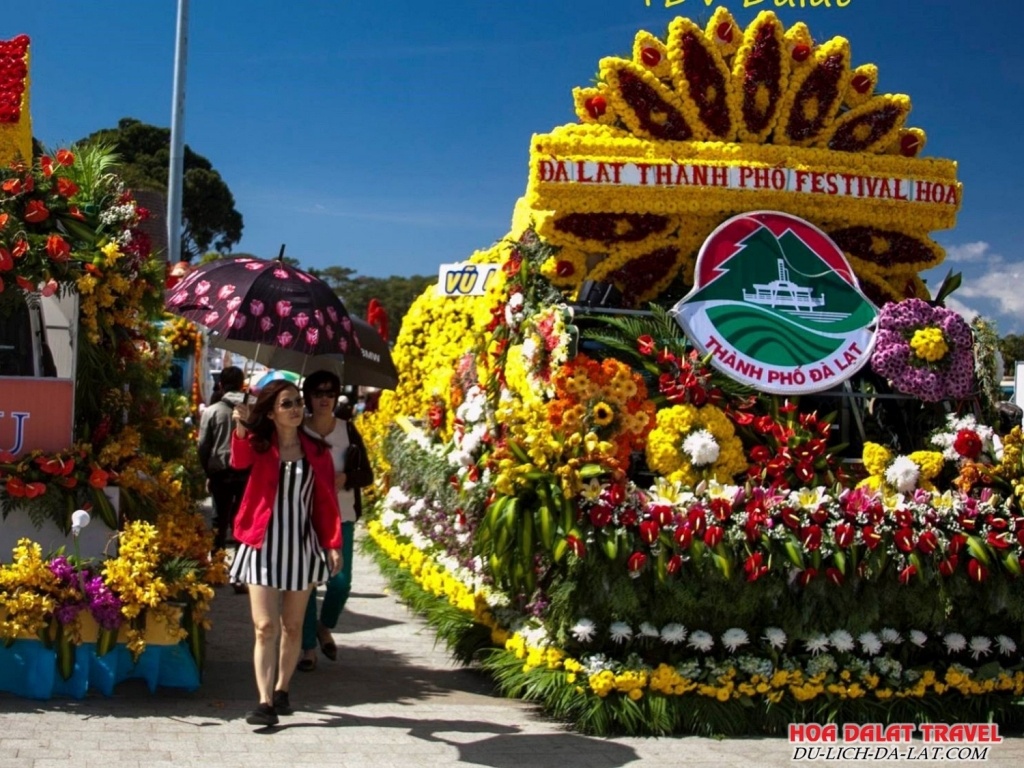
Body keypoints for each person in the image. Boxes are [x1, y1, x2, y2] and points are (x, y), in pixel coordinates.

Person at [228, 379, 343, 727]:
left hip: (301, 547)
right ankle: (264, 703)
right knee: (264, 626)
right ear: (273, 412)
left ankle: (282, 688)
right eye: (287, 404)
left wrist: (332, 544)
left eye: (297, 403)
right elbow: (238, 460)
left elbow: (325, 502)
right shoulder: (261, 445)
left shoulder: (318, 452)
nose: (296, 409)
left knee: (292, 627)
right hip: (261, 544)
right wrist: (241, 425)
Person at [297, 370, 373, 671]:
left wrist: (346, 477)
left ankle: (323, 624)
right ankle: (307, 649)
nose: (324, 399)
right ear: (308, 397)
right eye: (318, 393)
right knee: (306, 583)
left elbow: (367, 474)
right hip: (304, 516)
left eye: (330, 393)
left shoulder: (348, 430)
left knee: (341, 582)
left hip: (342, 515)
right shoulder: (299, 429)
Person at [197, 366, 249, 560]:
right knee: (243, 518)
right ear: (242, 384)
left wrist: (208, 473)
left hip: (220, 473)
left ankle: (218, 564)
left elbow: (203, 446)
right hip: (247, 473)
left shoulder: (211, 411)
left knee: (220, 519)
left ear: (220, 385)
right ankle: (241, 566)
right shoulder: (252, 407)